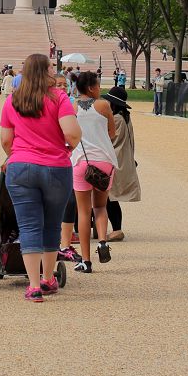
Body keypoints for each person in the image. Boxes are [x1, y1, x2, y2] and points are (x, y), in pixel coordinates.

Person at [0, 53, 79, 302]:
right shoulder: (59, 98)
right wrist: (67, 149)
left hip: (21, 166)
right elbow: (73, 134)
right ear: (45, 72)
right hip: (55, 166)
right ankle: (48, 278)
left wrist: (16, 155)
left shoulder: (13, 100)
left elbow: (5, 140)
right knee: (52, 223)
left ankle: (33, 284)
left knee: (29, 224)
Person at [68, 70, 118, 273]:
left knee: (83, 211)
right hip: (104, 161)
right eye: (98, 85)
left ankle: (86, 260)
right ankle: (103, 241)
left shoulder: (72, 106)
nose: (100, 89)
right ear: (90, 87)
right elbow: (112, 133)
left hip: (81, 161)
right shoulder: (104, 105)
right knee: (100, 207)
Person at [103, 83, 140, 241]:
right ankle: (113, 228)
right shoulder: (125, 116)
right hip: (123, 160)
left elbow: (107, 138)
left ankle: (116, 229)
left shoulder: (116, 119)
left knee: (108, 198)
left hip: (114, 161)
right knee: (110, 198)